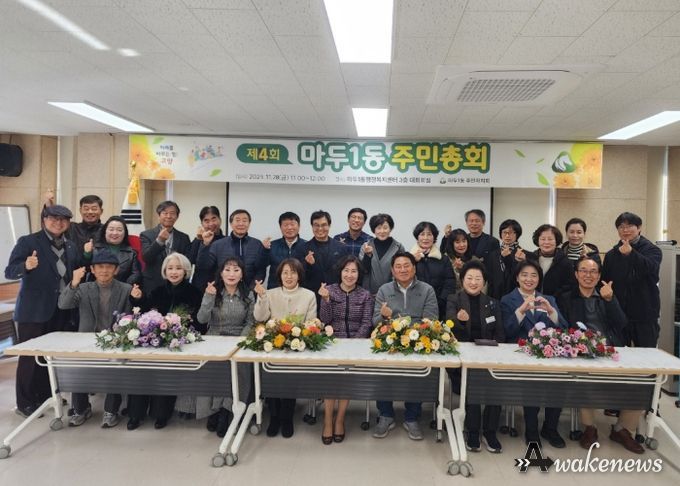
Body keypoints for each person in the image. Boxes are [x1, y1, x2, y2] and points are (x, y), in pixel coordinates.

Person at [558, 257, 643, 453]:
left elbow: (622, 324)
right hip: (582, 352)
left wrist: (610, 300)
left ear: (599, 276)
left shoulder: (608, 294)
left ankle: (622, 429)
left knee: (640, 381)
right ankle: (590, 428)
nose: (588, 275)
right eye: (583, 270)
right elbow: (563, 326)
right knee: (584, 378)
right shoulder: (566, 297)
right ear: (576, 274)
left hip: (611, 350)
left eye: (593, 271)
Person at [4, 205, 79, 417]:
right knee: (30, 357)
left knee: (50, 357)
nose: (58, 223)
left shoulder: (71, 246)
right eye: (53, 218)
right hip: (33, 311)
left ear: (68, 223)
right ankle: (25, 402)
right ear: (44, 219)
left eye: (63, 219)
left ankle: (47, 395)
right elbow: (9, 271)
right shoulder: (28, 242)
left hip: (61, 310)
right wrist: (26, 266)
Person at [57, 250, 142, 428]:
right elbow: (63, 305)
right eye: (100, 267)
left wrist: (137, 299)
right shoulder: (83, 288)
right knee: (78, 370)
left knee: (116, 367)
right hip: (86, 340)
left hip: (115, 341)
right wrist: (74, 283)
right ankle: (81, 409)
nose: (104, 270)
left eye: (109, 267)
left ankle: (111, 411)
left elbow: (135, 315)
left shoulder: (126, 289)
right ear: (93, 270)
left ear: (116, 270)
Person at [126, 253, 202, 431]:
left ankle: (161, 414)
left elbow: (199, 322)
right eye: (170, 268)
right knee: (140, 371)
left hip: (179, 342)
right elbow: (144, 311)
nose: (174, 272)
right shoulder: (157, 290)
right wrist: (138, 298)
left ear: (185, 271)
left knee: (166, 373)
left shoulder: (195, 293)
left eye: (178, 268)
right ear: (164, 271)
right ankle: (135, 413)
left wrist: (180, 328)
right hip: (153, 340)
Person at [372, 252, 439, 441]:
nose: (403, 269)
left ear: (414, 268)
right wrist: (384, 316)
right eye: (398, 266)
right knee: (382, 371)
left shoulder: (427, 290)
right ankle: (386, 415)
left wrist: (409, 333)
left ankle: (412, 417)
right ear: (392, 271)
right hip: (389, 340)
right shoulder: (384, 290)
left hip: (417, 341)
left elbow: (431, 319)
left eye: (406, 265)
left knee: (417, 374)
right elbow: (375, 321)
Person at [501, 260, 567, 448]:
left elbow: (564, 327)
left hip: (547, 354)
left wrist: (551, 311)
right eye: (524, 275)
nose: (529, 279)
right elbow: (506, 331)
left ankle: (550, 428)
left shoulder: (549, 299)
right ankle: (531, 430)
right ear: (517, 278)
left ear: (539, 279)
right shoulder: (507, 300)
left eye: (533, 275)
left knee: (560, 382)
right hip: (520, 354)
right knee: (533, 383)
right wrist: (521, 311)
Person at [253, 258, 317, 438]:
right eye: (285, 273)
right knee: (272, 376)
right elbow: (260, 317)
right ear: (280, 276)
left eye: (293, 272)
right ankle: (274, 417)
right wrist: (261, 298)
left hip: (297, 346)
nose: (289, 276)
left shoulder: (309, 295)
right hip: (272, 346)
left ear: (299, 275)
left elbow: (311, 323)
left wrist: (298, 336)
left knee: (289, 377)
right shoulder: (269, 293)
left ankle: (287, 417)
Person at [446, 261, 504, 453]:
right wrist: (460, 321)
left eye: (478, 278)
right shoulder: (454, 299)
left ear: (484, 282)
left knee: (496, 384)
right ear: (462, 280)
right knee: (472, 383)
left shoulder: (493, 303)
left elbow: (500, 334)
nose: (473, 282)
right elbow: (449, 327)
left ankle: (490, 431)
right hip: (463, 359)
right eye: (469, 278)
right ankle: (472, 431)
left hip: (489, 357)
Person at [193, 257, 254, 438]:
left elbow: (251, 322)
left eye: (236, 270)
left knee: (238, 371)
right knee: (215, 372)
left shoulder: (248, 295)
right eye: (227, 270)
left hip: (238, 340)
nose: (231, 274)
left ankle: (228, 412)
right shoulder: (213, 292)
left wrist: (239, 341)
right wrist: (208, 297)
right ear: (221, 273)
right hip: (215, 338)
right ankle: (215, 410)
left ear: (242, 274)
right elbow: (202, 319)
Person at [318, 255, 374, 445]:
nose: (349, 275)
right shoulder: (330, 290)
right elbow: (324, 320)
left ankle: (340, 418)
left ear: (359, 274)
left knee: (346, 380)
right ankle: (328, 419)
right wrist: (326, 300)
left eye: (354, 271)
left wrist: (355, 344)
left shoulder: (365, 295)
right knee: (331, 379)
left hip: (356, 344)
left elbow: (366, 323)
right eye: (346, 270)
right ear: (340, 272)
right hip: (332, 341)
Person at [602, 212, 662, 348]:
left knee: (647, 354)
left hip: (645, 314)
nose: (625, 230)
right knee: (618, 353)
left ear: (639, 227)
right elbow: (605, 281)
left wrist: (631, 253)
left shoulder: (652, 250)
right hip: (619, 313)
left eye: (629, 226)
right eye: (621, 227)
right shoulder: (611, 255)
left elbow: (650, 268)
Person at [195, 209, 266, 289]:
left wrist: (253, 288)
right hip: (223, 291)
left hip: (250, 291)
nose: (241, 223)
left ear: (249, 224)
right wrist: (205, 244)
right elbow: (204, 266)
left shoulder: (257, 244)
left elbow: (261, 269)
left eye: (244, 220)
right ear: (231, 224)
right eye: (237, 220)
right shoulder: (218, 244)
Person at [140, 201, 191, 293]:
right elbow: (146, 257)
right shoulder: (146, 235)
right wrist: (159, 241)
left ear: (177, 216)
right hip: (153, 283)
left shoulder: (184, 238)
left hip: (177, 284)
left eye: (172, 213)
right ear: (159, 215)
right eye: (165, 213)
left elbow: (187, 262)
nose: (169, 216)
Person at [409, 221, 455, 319]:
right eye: (422, 234)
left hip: (439, 306)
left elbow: (450, 282)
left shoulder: (443, 259)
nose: (425, 238)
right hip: (413, 306)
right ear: (417, 237)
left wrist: (440, 301)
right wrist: (413, 261)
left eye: (429, 234)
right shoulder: (408, 258)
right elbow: (402, 279)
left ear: (434, 237)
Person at [302, 210, 349, 303]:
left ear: (329, 225)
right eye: (316, 225)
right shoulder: (303, 248)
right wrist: (307, 264)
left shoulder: (341, 247)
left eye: (324, 225)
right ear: (312, 226)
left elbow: (346, 272)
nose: (320, 228)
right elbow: (299, 275)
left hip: (336, 296)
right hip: (312, 297)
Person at [45, 191, 104, 258]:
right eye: (86, 209)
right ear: (80, 210)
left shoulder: (106, 230)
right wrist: (49, 207)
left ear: (101, 211)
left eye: (94, 209)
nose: (90, 212)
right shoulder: (71, 228)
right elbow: (51, 228)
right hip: (72, 264)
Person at [87, 216, 142, 285]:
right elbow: (87, 270)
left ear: (125, 233)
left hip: (123, 289)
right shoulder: (95, 249)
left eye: (119, 230)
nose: (115, 233)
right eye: (111, 229)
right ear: (105, 231)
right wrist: (87, 254)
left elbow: (136, 274)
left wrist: (123, 288)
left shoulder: (131, 253)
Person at [526, 224, 575, 299]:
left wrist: (553, 298)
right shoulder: (531, 259)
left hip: (556, 301)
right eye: (543, 239)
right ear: (537, 240)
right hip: (531, 300)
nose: (546, 242)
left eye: (550, 239)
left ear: (556, 241)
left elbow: (568, 286)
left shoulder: (565, 262)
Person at [359, 213, 404, 295]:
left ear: (390, 228)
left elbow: (401, 271)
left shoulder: (398, 247)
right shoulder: (366, 246)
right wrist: (367, 255)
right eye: (379, 228)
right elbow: (362, 270)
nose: (382, 231)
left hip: (391, 293)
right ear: (374, 230)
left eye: (385, 228)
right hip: (368, 294)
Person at [263, 211, 307, 289]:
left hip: (300, 290)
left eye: (292, 224)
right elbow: (261, 265)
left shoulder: (307, 246)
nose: (289, 228)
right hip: (276, 290)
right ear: (280, 227)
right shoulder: (272, 246)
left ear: (299, 226)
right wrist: (264, 250)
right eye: (286, 225)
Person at [187, 206, 225, 291]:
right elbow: (189, 260)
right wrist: (199, 239)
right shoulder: (198, 240)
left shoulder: (226, 241)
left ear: (220, 220)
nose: (211, 224)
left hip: (221, 287)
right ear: (202, 224)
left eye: (214, 219)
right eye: (206, 221)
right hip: (200, 287)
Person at [487, 219, 525, 299]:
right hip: (495, 296)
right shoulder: (493, 255)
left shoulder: (523, 254)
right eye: (504, 232)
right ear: (500, 234)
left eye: (511, 233)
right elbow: (490, 279)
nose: (507, 236)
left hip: (516, 295)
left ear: (517, 234)